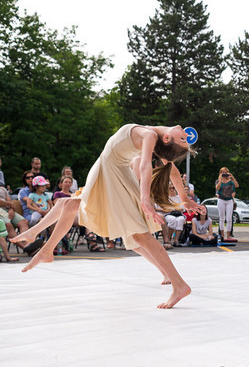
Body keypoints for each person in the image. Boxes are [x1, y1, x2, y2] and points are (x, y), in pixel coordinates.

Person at [11, 124, 199, 309]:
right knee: (68, 204)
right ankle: (44, 247)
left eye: (183, 138)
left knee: (138, 235)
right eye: (184, 139)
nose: (185, 134)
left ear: (167, 139)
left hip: (113, 172)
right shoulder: (158, 134)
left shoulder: (151, 135)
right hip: (109, 168)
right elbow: (171, 168)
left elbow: (145, 167)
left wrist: (145, 198)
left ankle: (178, 284)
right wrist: (183, 197)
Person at [215, 167, 239, 241]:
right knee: (222, 218)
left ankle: (228, 235)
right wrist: (220, 179)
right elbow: (217, 188)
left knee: (229, 218)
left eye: (226, 172)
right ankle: (222, 234)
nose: (224, 174)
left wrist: (232, 177)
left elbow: (237, 186)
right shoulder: (218, 181)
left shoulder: (231, 182)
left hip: (229, 200)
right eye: (223, 172)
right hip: (221, 200)